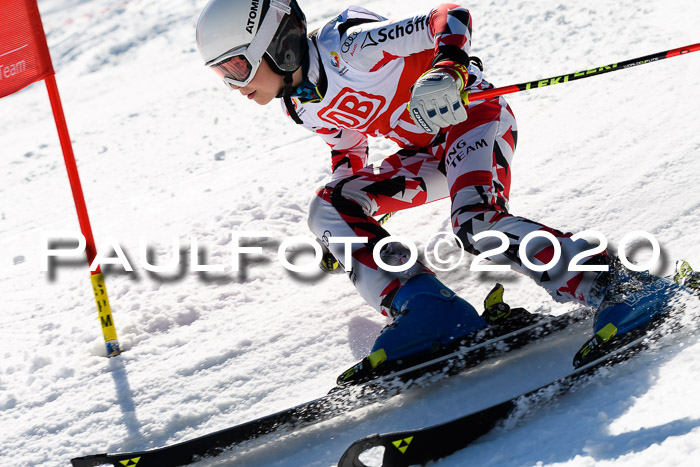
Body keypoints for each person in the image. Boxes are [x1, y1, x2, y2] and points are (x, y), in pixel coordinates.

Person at [195, 0, 691, 370]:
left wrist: (446, 68)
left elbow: (449, 17)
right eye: (221, 73)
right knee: (329, 206)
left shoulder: (347, 45)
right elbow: (347, 148)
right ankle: (430, 311)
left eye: (236, 65)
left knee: (476, 225)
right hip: (425, 154)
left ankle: (617, 282)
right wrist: (348, 228)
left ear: (274, 42)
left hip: (473, 119)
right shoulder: (298, 102)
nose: (234, 84)